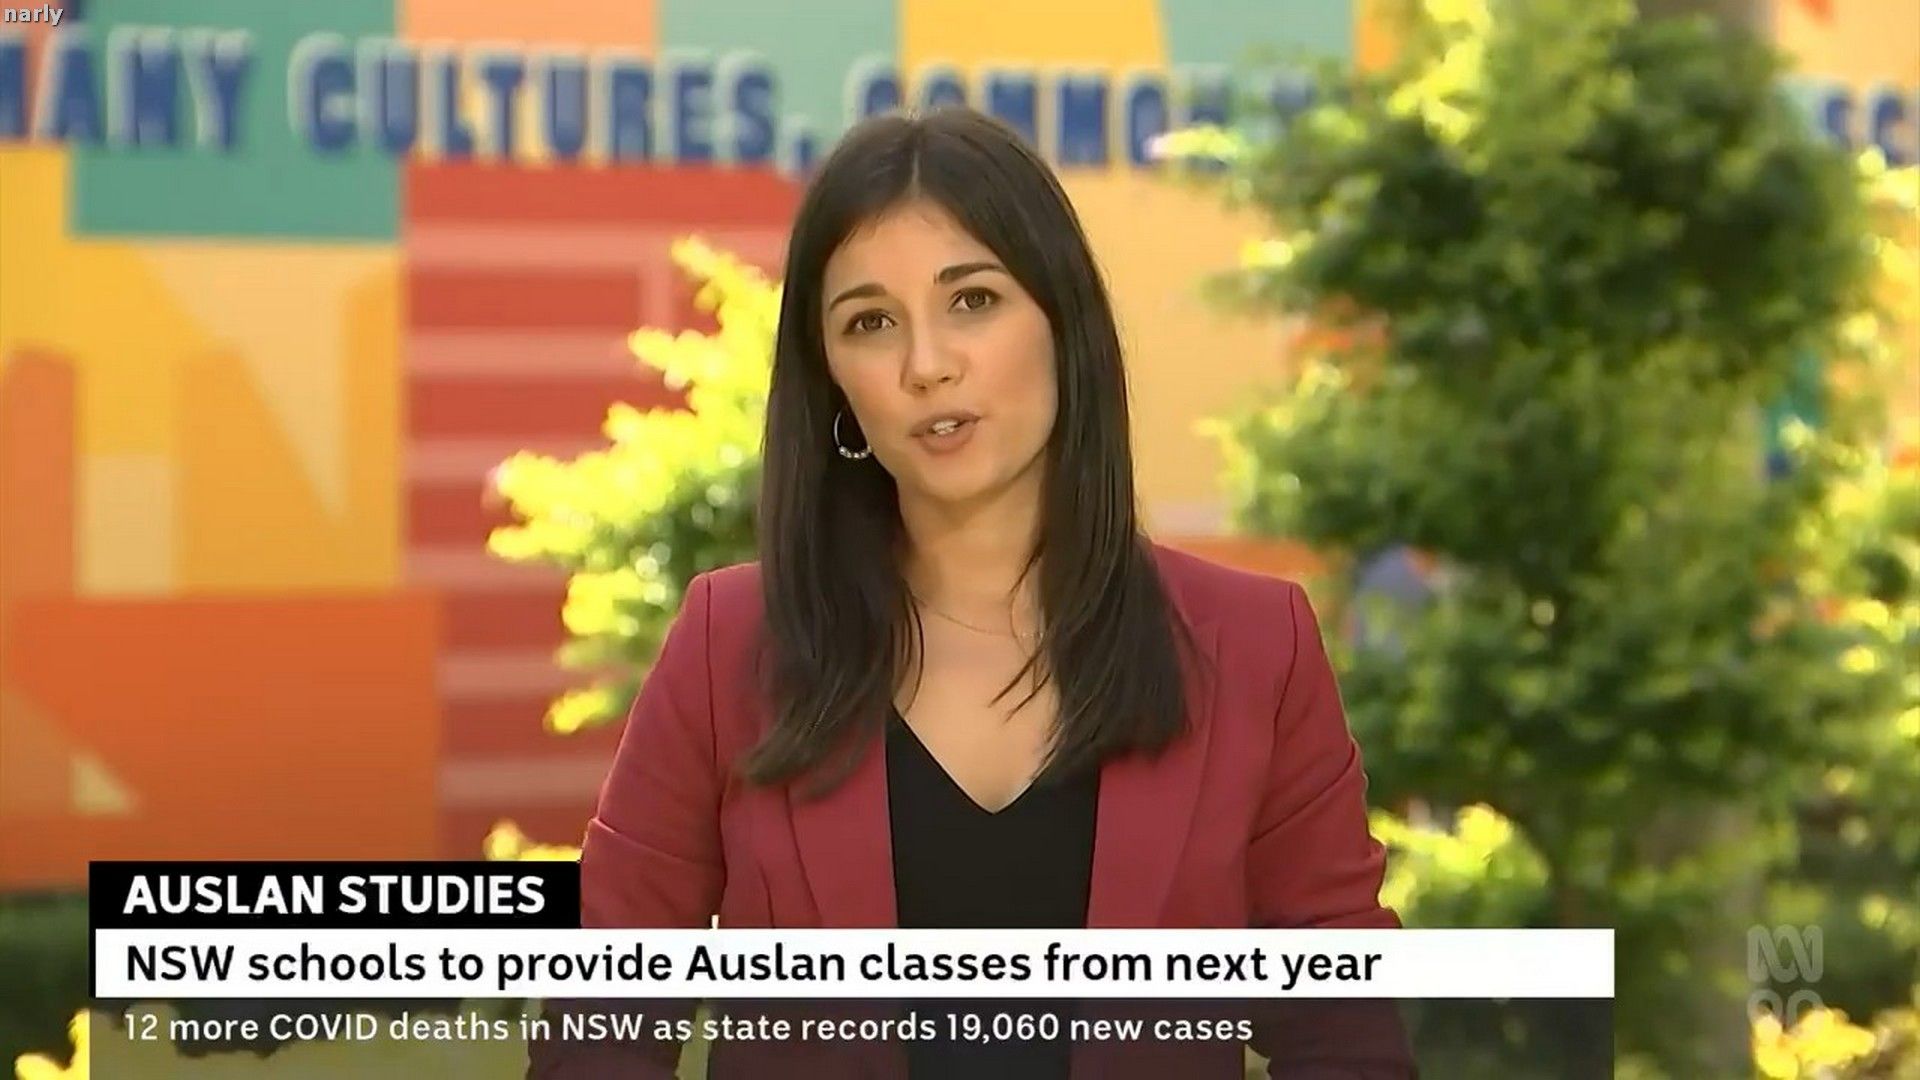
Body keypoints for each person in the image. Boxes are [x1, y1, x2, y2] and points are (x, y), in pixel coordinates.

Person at [527, 106, 1414, 1079]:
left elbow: (1346, 1039)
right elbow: (597, 1030)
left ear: (1063, 324)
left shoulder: (1253, 647)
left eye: (974, 300)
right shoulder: (729, 644)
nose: (927, 365)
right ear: (833, 384)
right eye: (870, 323)